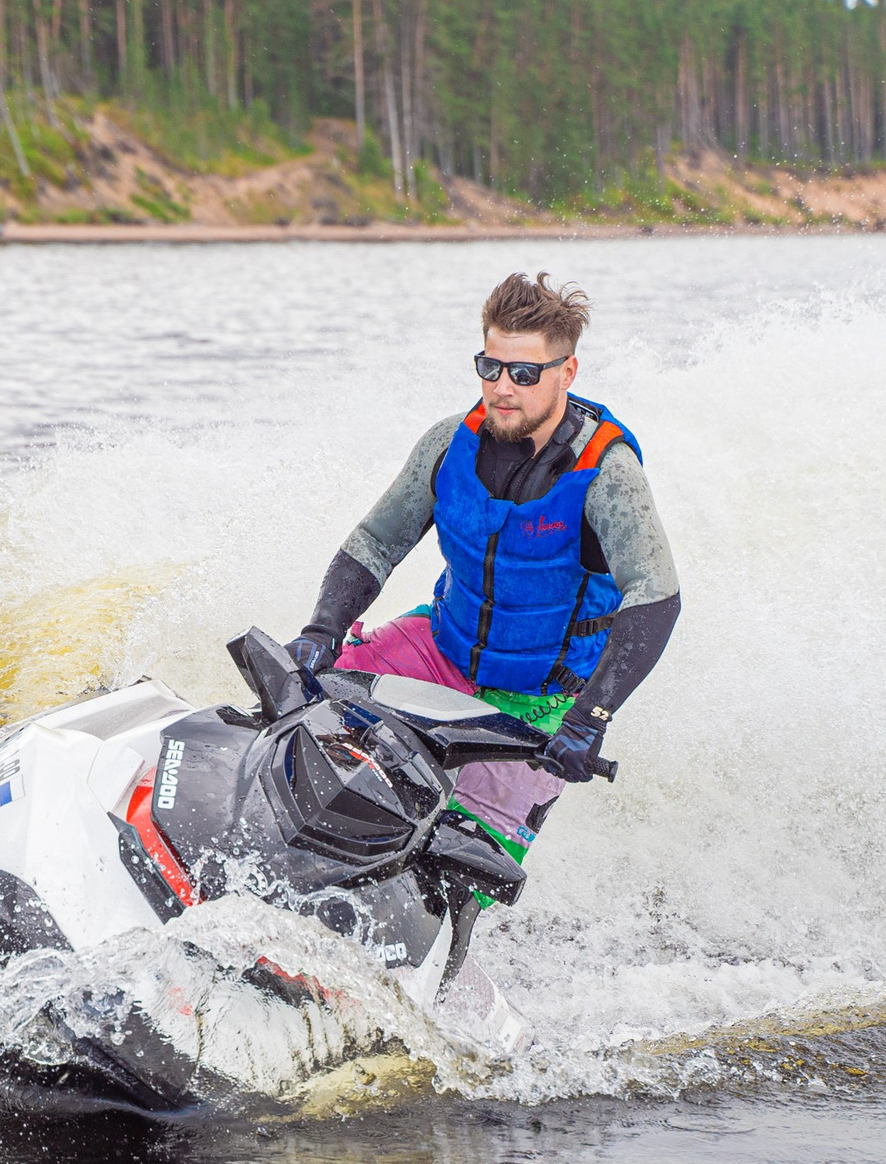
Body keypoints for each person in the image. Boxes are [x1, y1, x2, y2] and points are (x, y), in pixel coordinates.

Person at [286, 272, 680, 862]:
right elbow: (374, 543)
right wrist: (321, 631)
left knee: (459, 865)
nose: (502, 387)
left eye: (524, 373)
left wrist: (589, 718)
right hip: (439, 648)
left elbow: (655, 597)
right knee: (300, 709)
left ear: (567, 373)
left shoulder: (607, 474)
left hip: (540, 700)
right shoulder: (448, 444)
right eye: (490, 366)